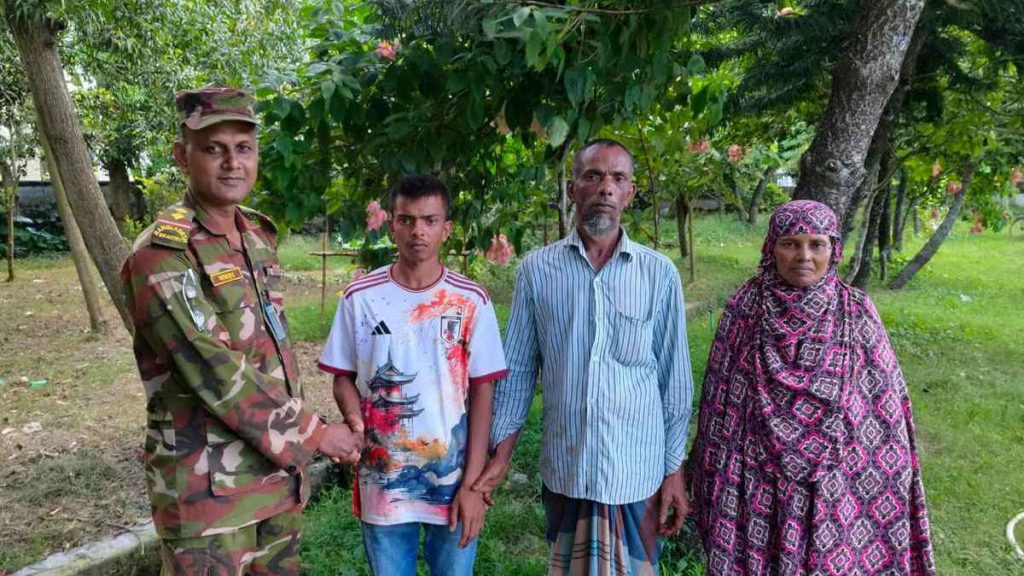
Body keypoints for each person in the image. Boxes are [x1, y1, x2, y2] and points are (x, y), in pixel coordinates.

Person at [122, 86, 362, 576]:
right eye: (214, 148)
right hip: (207, 500)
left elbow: (269, 354)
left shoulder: (256, 237)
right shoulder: (163, 253)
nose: (232, 162)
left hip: (274, 482)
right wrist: (315, 433)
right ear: (181, 157)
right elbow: (213, 369)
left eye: (243, 148)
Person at [475, 139, 694, 575]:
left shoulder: (658, 274)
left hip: (637, 472)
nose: (605, 188)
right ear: (572, 189)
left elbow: (675, 382)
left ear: (630, 193)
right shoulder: (537, 270)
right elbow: (518, 371)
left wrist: (674, 471)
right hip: (567, 468)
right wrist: (499, 456)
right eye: (593, 176)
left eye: (618, 179)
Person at [688, 200, 936, 575]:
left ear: (833, 249)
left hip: (835, 484)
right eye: (790, 243)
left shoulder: (856, 312)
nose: (803, 256)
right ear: (771, 247)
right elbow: (722, 402)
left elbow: (883, 410)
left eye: (816, 244)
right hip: (755, 480)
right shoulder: (746, 307)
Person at [318, 175, 508, 576]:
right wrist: (356, 421)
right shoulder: (361, 297)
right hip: (382, 481)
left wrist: (473, 486)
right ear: (391, 225)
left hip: (454, 481)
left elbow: (483, 393)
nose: (417, 231)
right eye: (406, 220)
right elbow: (342, 377)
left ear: (447, 228)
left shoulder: (471, 300)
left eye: (430, 220)